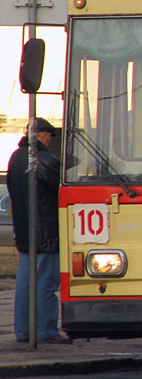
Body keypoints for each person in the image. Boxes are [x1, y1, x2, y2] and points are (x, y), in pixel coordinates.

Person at [6, 118, 71, 344]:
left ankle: (23, 330)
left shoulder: (15, 158)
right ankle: (46, 330)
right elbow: (63, 191)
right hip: (47, 232)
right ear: (42, 135)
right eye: (50, 136)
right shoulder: (45, 160)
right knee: (46, 283)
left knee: (24, 283)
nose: (50, 141)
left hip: (24, 231)